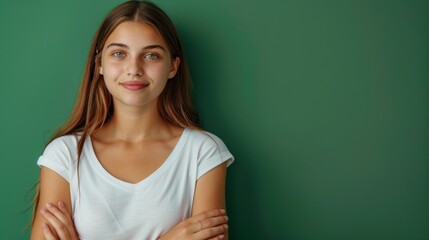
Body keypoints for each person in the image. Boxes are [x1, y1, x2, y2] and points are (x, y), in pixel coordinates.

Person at [30, 1, 234, 239]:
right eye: (119, 53)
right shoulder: (64, 155)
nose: (134, 68)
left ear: (173, 67)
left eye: (151, 55)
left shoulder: (203, 153)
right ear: (99, 64)